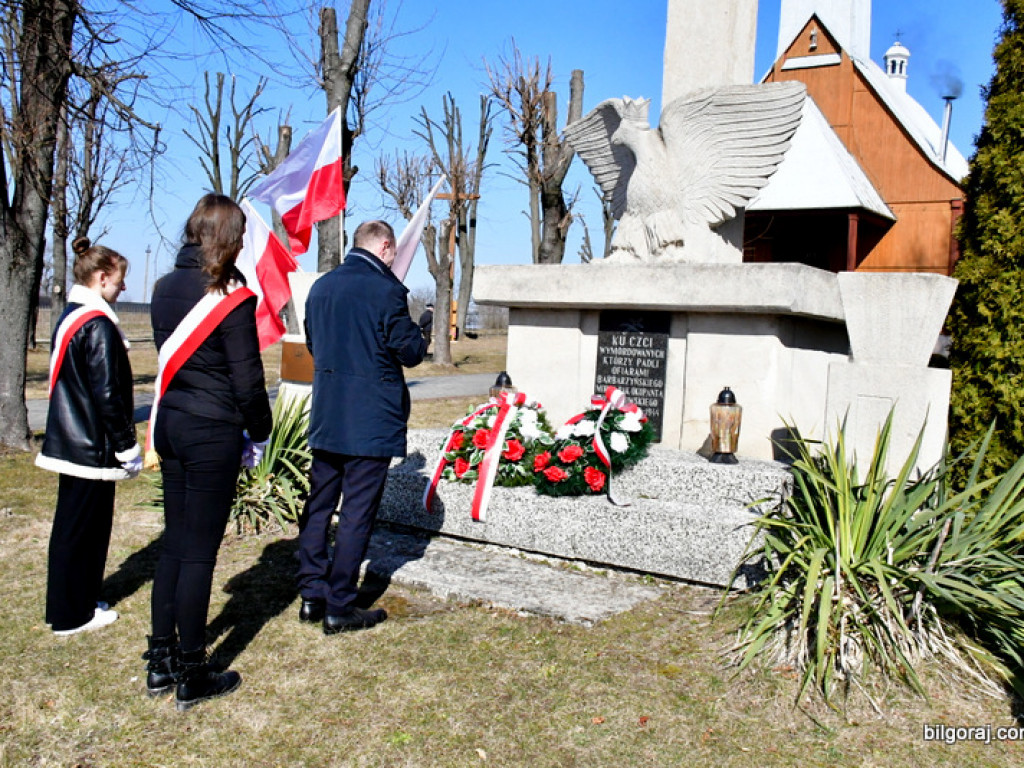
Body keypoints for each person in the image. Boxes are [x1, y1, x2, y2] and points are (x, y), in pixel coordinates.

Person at [147, 193, 273, 711]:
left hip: (171, 424)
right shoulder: (229, 295)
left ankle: (160, 658)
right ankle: (194, 669)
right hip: (211, 430)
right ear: (228, 237)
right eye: (240, 234)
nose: (245, 243)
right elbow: (247, 380)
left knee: (174, 544)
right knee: (199, 550)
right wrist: (261, 432)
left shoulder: (161, 287)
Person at [297, 220, 427, 634]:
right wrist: (421, 328)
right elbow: (408, 353)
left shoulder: (321, 288)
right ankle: (339, 605)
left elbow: (314, 345)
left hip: (329, 413)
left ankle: (311, 594)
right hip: (369, 419)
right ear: (386, 246)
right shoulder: (386, 290)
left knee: (318, 505)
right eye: (393, 252)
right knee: (356, 512)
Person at [36, 237, 141, 636]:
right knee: (82, 532)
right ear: (101, 278)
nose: (124, 288)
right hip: (89, 444)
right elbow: (108, 394)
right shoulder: (96, 324)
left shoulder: (73, 314)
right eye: (119, 280)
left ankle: (72, 600)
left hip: (72, 439)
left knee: (74, 529)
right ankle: (72, 614)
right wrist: (126, 444)